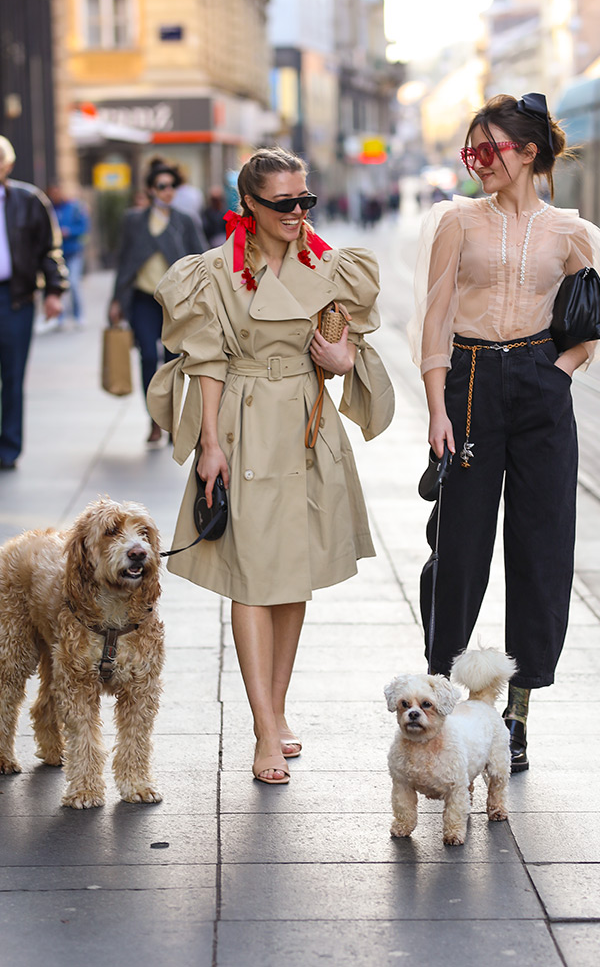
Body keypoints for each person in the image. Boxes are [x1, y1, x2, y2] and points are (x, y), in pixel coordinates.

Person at [147, 147, 394, 783]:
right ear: (248, 206)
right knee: (254, 577)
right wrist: (210, 445)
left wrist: (341, 362)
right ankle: (262, 728)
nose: (297, 213)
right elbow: (205, 361)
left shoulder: (332, 266)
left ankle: (277, 709)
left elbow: (349, 345)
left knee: (292, 576)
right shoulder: (212, 274)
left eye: (304, 201)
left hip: (309, 428)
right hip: (244, 421)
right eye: (283, 203)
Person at [407, 93, 600, 772]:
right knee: (459, 548)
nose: (476, 160)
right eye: (471, 147)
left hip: (540, 385)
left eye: (488, 148)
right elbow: (435, 320)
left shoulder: (572, 233)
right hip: (468, 383)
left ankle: (518, 715)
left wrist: (556, 372)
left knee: (541, 547)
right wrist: (437, 409)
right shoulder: (456, 222)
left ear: (527, 153)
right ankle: (442, 691)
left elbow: (593, 324)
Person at [0, 133, 68, 473]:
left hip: (15, 300)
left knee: (12, 376)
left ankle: (8, 449)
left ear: (7, 165)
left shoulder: (29, 200)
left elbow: (49, 248)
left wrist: (54, 290)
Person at [109, 159, 206, 444]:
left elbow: (198, 258)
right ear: (150, 190)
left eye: (172, 186)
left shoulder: (183, 221)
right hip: (141, 299)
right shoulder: (133, 220)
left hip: (173, 303)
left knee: (172, 361)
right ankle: (153, 420)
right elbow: (124, 262)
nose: (168, 192)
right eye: (162, 186)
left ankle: (172, 422)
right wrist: (116, 300)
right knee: (148, 357)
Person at [47, 183, 90, 329]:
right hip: (57, 254)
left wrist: (69, 231)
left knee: (74, 284)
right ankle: (60, 318)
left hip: (74, 252)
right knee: (59, 286)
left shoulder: (75, 207)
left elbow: (84, 227)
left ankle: (78, 316)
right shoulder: (49, 208)